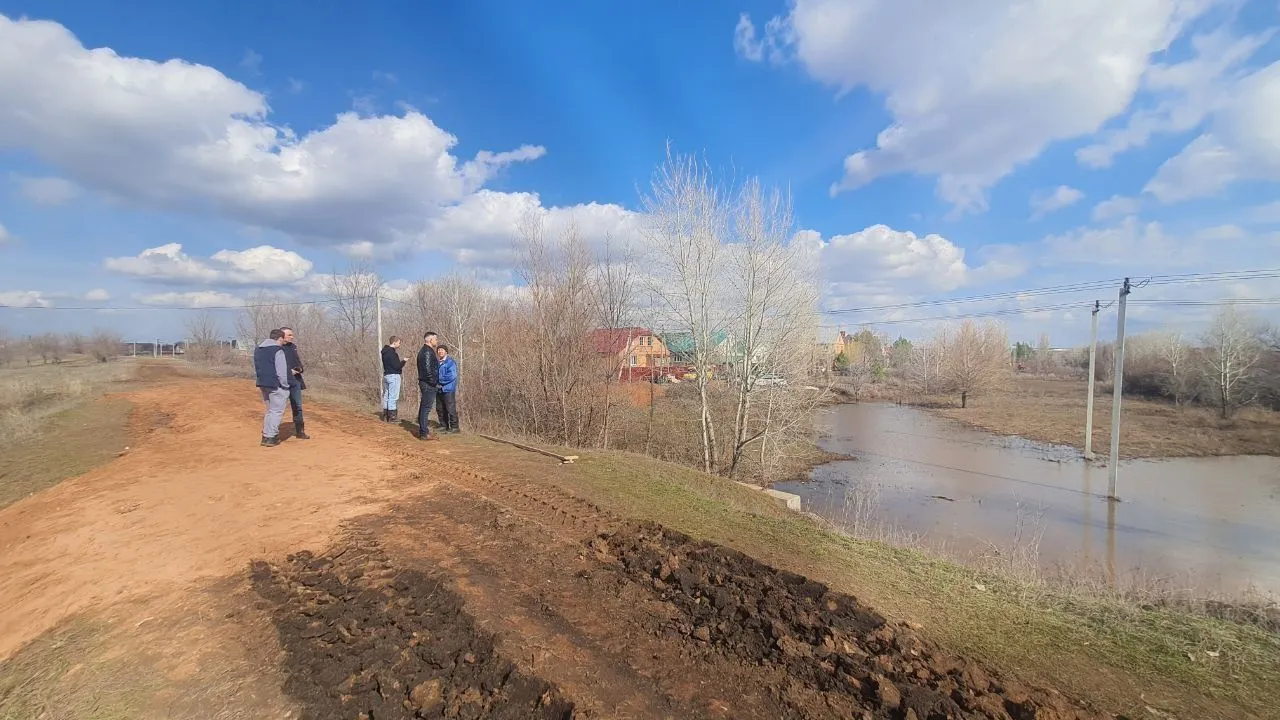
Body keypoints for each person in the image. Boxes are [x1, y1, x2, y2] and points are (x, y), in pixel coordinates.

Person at [254, 329, 290, 447]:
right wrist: (285, 385)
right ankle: (270, 437)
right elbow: (281, 371)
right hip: (276, 384)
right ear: (280, 338)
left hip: (263, 383)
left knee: (270, 410)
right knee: (276, 411)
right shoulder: (277, 351)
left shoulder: (258, 349)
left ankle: (266, 434)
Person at [279, 326, 310, 440]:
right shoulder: (278, 348)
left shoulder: (293, 347)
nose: (292, 337)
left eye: (292, 334)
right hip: (282, 382)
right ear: (282, 336)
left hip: (295, 381)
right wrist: (288, 372)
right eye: (289, 335)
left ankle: (300, 431)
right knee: (279, 407)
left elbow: (297, 361)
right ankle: (273, 432)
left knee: (297, 406)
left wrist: (300, 368)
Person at [416, 331, 440, 440]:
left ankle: (423, 431)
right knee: (426, 408)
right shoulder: (426, 352)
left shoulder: (426, 351)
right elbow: (428, 370)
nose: (436, 341)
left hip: (426, 383)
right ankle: (423, 433)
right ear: (430, 340)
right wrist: (434, 382)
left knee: (424, 408)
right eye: (435, 339)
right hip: (428, 384)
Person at [381, 335, 407, 422]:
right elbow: (397, 366)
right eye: (399, 343)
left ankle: (385, 415)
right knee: (393, 396)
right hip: (394, 376)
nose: (399, 345)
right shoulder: (393, 353)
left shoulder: (384, 352)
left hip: (386, 375)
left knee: (386, 395)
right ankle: (392, 417)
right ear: (394, 342)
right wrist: (404, 361)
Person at [435, 344, 459, 433]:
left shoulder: (450, 362)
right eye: (439, 350)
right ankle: (443, 425)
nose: (440, 351)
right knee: (440, 408)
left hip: (448, 389)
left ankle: (455, 427)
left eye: (442, 350)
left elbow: (452, 376)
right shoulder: (437, 362)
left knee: (450, 408)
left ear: (446, 351)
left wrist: (439, 381)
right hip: (439, 389)